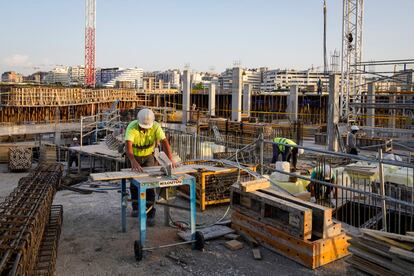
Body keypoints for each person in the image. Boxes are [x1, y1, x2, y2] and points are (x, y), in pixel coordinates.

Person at [125, 108, 177, 225]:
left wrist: (170, 159)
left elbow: (165, 143)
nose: (144, 128)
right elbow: (128, 148)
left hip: (148, 156)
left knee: (149, 185)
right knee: (134, 184)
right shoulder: (131, 127)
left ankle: (150, 213)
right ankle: (136, 207)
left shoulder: (156, 127)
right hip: (134, 156)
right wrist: (133, 161)